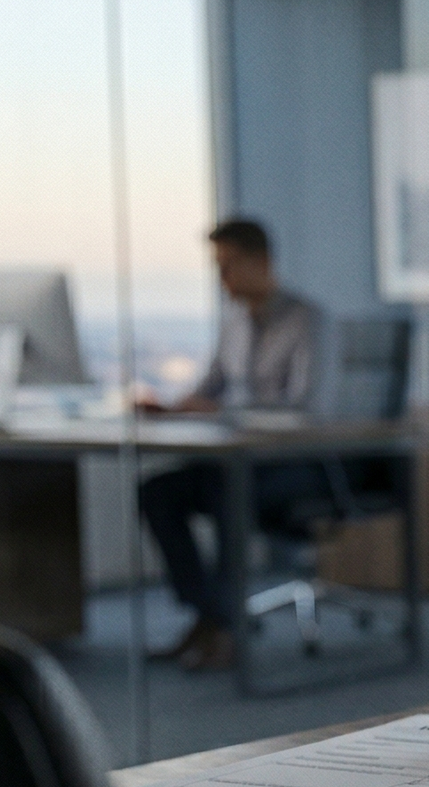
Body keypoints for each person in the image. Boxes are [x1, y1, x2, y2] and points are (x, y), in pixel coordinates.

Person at [139, 218, 333, 671]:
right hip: (239, 461)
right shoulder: (233, 323)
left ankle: (226, 628)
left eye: (228, 265)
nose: (221, 278)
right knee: (156, 492)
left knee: (227, 493)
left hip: (299, 465)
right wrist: (172, 407)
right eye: (217, 267)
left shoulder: (309, 320)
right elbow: (210, 388)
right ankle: (209, 612)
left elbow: (308, 408)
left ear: (261, 262)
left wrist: (221, 413)